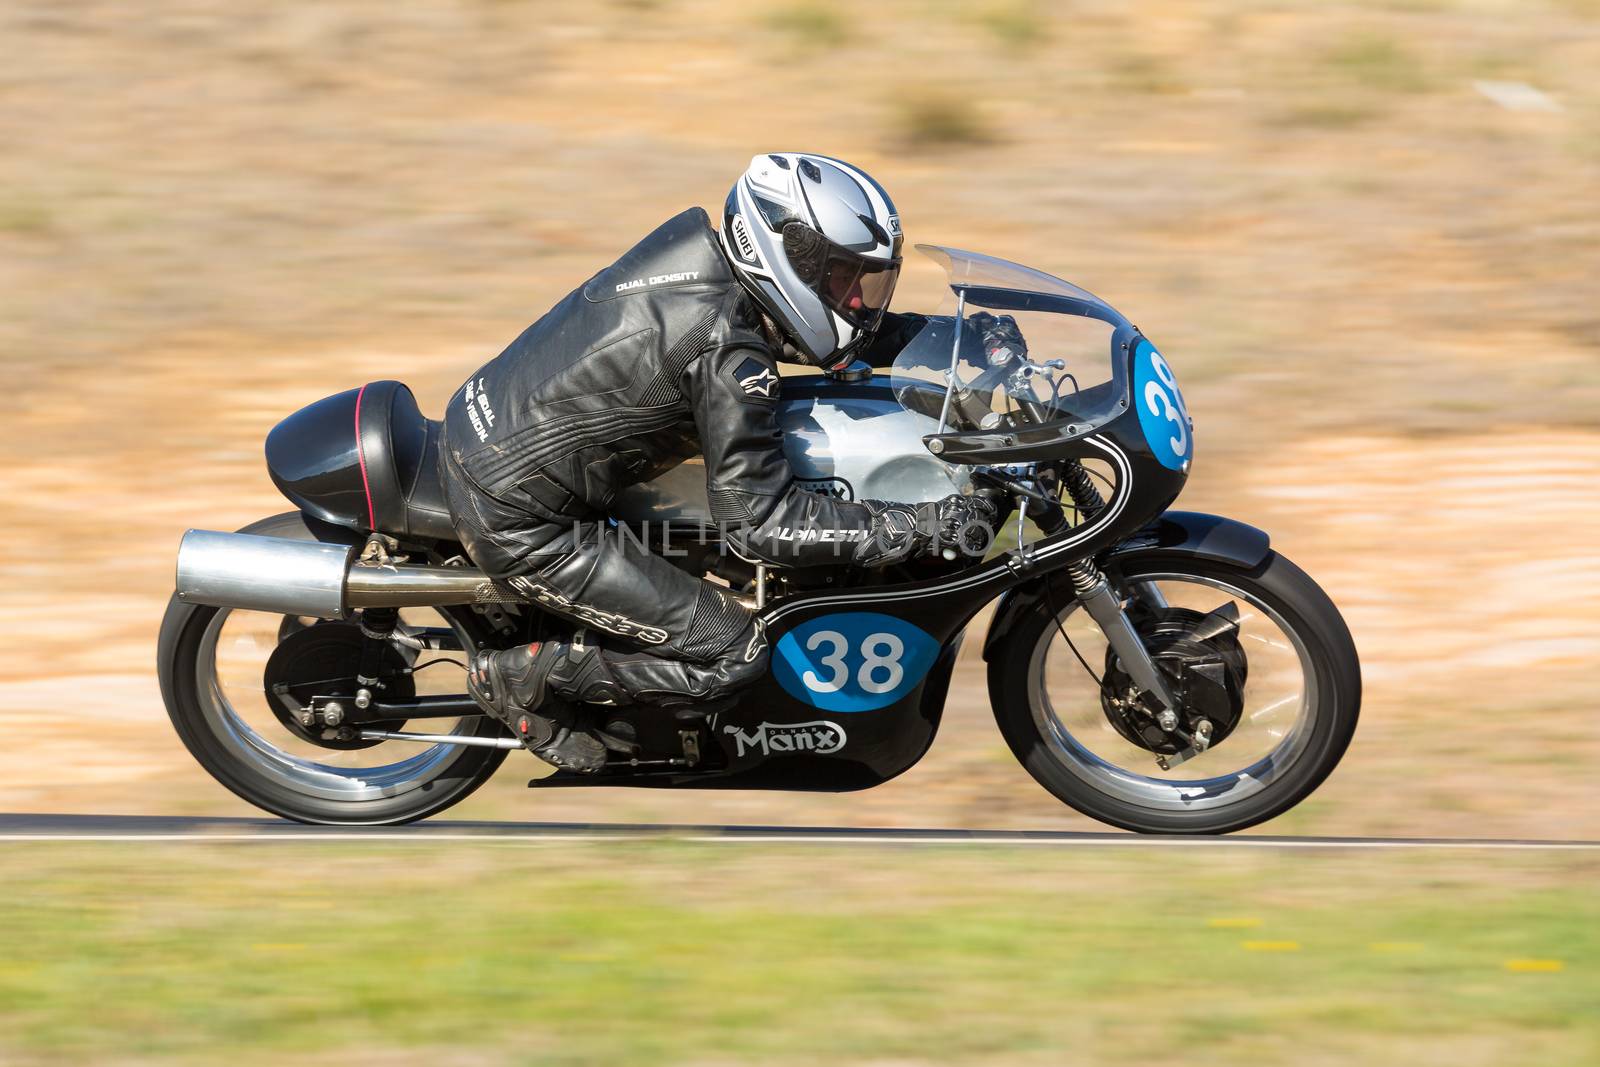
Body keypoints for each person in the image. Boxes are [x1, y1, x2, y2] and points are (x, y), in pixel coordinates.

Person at [439, 153, 997, 773]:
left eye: (867, 284)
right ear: (792, 256)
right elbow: (761, 524)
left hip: (489, 432)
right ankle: (527, 676)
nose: (857, 303)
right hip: (525, 520)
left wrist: (953, 337)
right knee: (738, 651)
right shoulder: (728, 351)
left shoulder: (704, 261)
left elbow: (820, 336)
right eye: (843, 280)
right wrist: (915, 525)